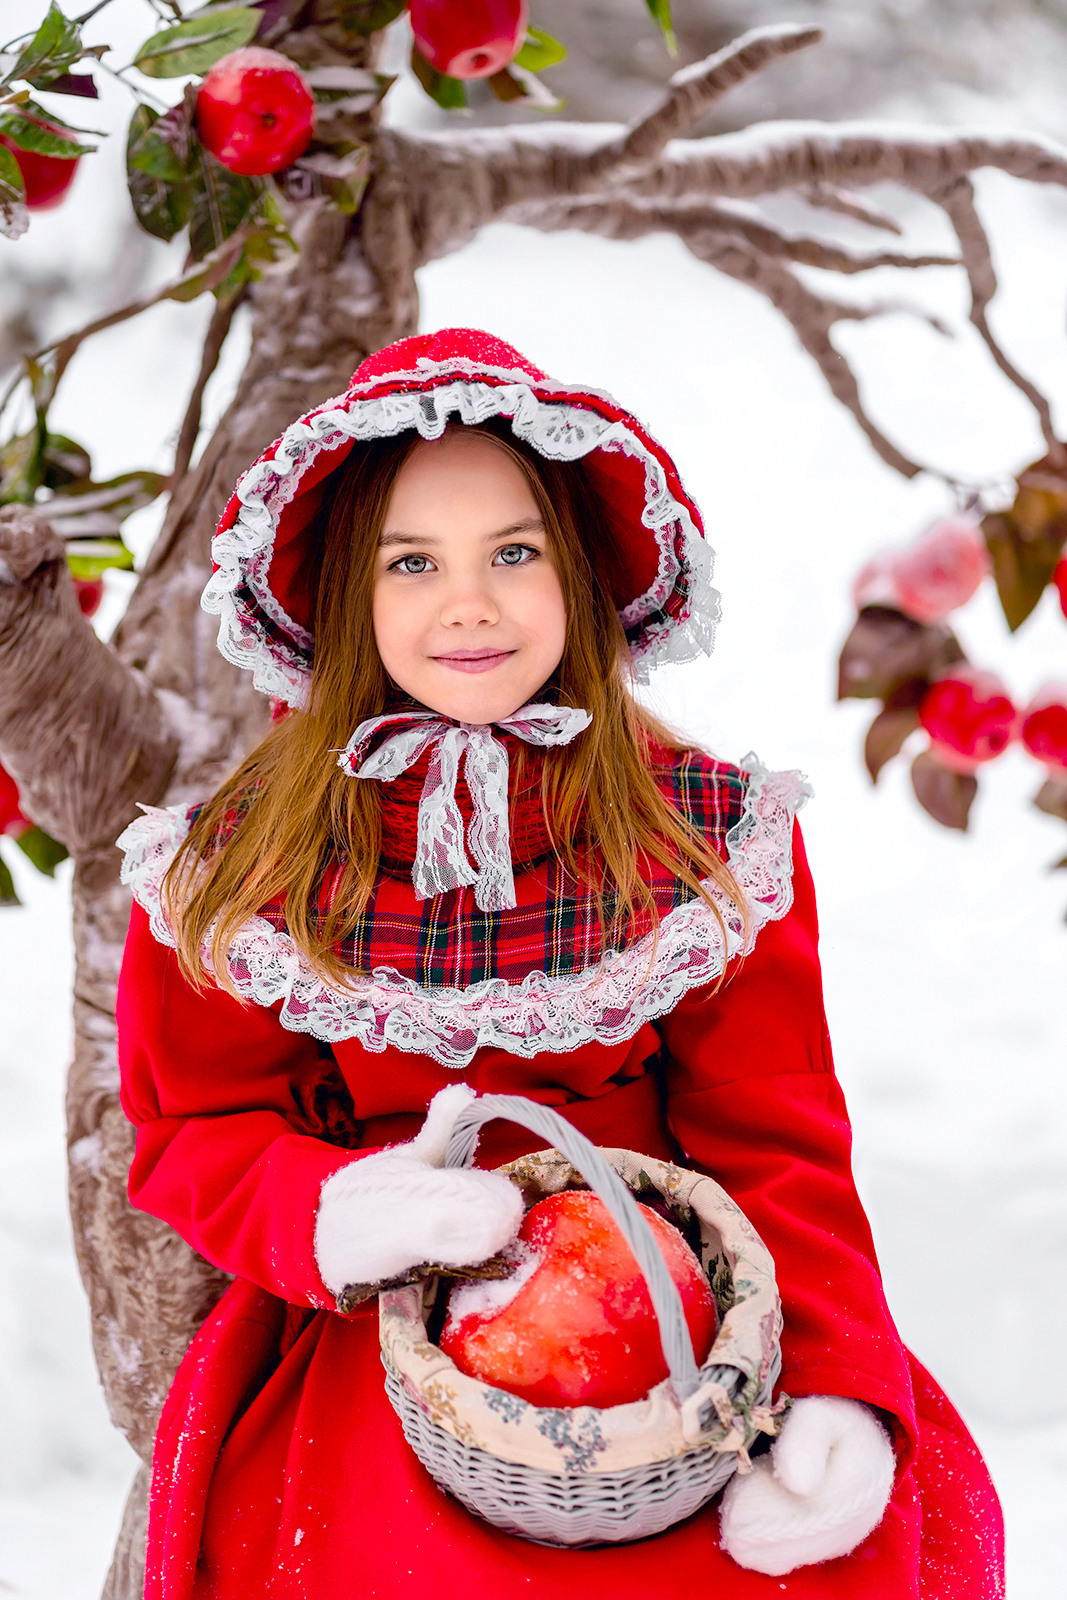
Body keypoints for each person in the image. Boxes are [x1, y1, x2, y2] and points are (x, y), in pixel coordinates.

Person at [114, 327, 1004, 1599]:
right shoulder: (242, 865)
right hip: (387, 1331)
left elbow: (774, 1128)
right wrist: (334, 1208)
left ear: (583, 577)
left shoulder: (700, 837)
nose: (466, 603)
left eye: (512, 554)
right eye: (409, 562)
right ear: (340, 597)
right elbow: (194, 1126)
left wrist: (833, 1376)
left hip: (678, 1302)